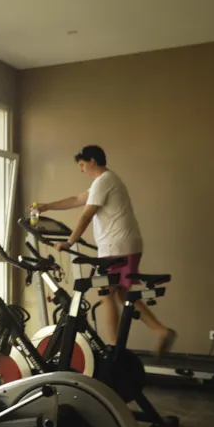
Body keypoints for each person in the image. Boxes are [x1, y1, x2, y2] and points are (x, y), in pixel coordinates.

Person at [33, 145, 176, 356]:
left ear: (92, 161)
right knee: (122, 292)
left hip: (117, 246)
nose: (81, 169)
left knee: (106, 292)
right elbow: (76, 199)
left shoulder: (104, 181)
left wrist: (69, 242)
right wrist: (47, 206)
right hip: (124, 244)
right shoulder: (106, 182)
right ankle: (160, 331)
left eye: (82, 165)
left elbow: (86, 215)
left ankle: (113, 347)